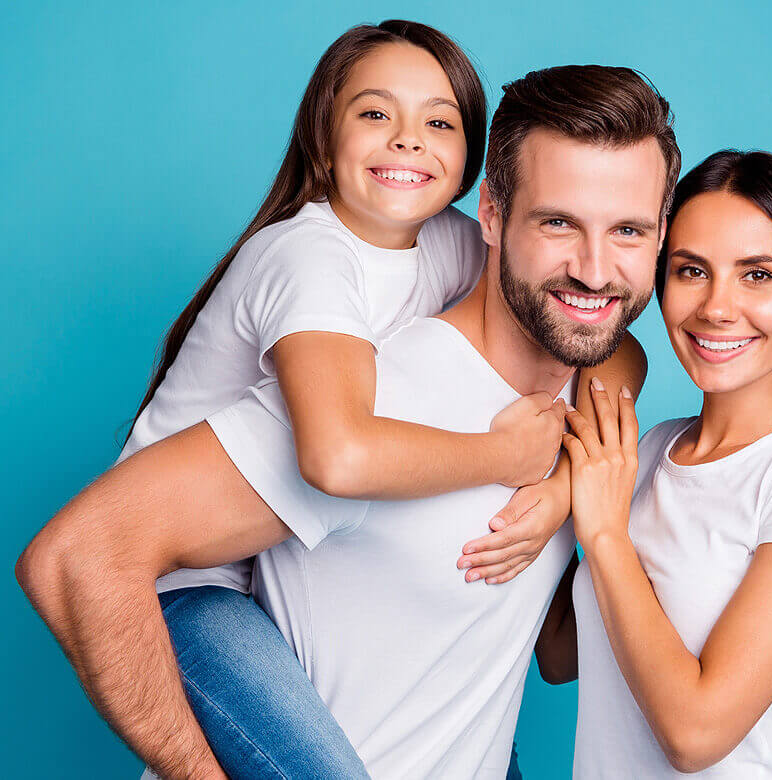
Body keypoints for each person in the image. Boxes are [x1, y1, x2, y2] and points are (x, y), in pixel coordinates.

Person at [16, 65, 680, 779]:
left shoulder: (592, 401)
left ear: (661, 235)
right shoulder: (377, 404)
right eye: (557, 222)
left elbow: (555, 653)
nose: (594, 267)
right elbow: (78, 555)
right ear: (490, 214)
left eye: (629, 231)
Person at [536, 150, 772, 778]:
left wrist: (607, 536)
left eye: (757, 275)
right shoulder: (644, 449)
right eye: (691, 270)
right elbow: (560, 655)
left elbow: (695, 736)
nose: (717, 308)